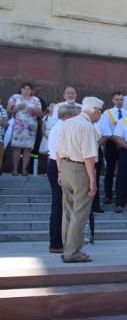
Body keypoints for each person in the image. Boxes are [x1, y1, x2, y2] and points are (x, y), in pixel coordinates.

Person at [56, 96, 103, 263]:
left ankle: (67, 247)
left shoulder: (68, 122)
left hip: (66, 167)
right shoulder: (87, 127)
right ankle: (72, 251)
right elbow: (89, 157)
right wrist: (92, 180)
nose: (100, 115)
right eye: (100, 111)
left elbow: (57, 150)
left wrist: (60, 172)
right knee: (80, 211)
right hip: (80, 169)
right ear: (95, 110)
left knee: (68, 210)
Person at [46, 103, 79, 253]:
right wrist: (60, 172)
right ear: (66, 116)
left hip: (58, 165)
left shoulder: (59, 128)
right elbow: (60, 152)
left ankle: (60, 240)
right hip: (59, 166)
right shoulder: (60, 129)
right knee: (59, 204)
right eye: (72, 116)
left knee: (61, 203)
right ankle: (56, 242)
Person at [7, 82, 43, 176]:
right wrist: (17, 107)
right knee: (16, 147)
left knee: (28, 148)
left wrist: (34, 110)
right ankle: (15, 169)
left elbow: (40, 113)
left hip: (30, 126)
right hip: (18, 125)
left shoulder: (35, 99)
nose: (26, 91)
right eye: (24, 89)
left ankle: (24, 169)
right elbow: (8, 110)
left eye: (28, 89)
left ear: (31, 91)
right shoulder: (15, 97)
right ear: (21, 89)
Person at [102, 91, 125, 204]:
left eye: (121, 99)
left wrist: (122, 142)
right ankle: (108, 195)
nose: (119, 102)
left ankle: (122, 195)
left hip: (124, 145)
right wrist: (116, 140)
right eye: (117, 99)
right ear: (113, 100)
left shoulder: (126, 113)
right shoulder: (107, 113)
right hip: (111, 143)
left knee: (122, 172)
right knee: (110, 170)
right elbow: (106, 130)